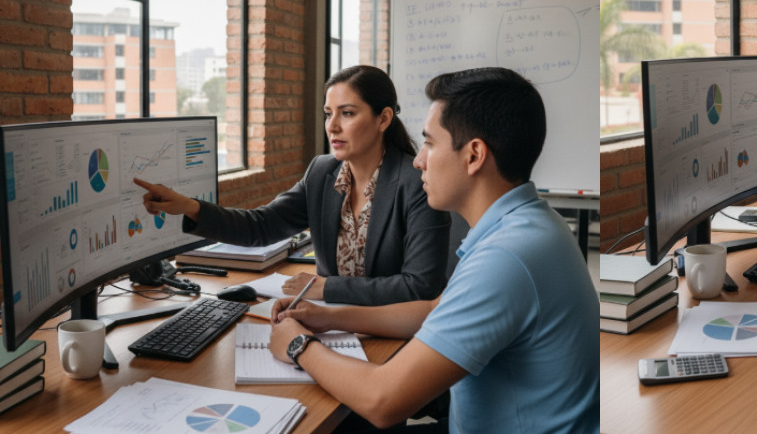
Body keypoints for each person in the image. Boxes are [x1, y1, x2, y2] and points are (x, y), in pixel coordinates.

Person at [265, 67, 599, 433]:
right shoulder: (529, 223)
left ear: (473, 156)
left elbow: (383, 401)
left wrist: (299, 344)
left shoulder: (505, 259)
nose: (418, 159)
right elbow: (433, 312)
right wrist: (329, 317)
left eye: (429, 143)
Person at [136, 65, 450, 305]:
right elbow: (261, 226)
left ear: (383, 119)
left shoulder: (416, 184)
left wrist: (326, 288)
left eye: (348, 113)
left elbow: (419, 286)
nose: (332, 126)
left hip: (392, 333)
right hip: (330, 322)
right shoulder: (322, 173)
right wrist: (189, 207)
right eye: (328, 114)